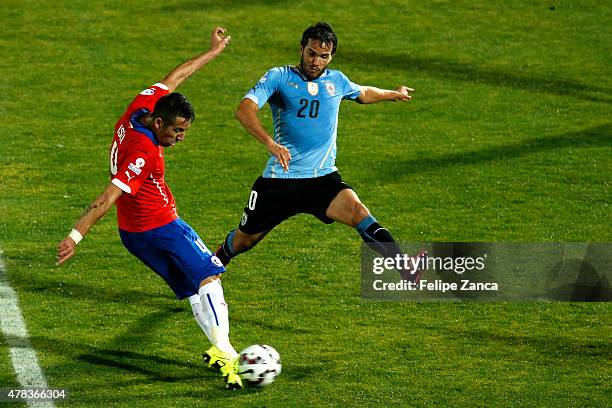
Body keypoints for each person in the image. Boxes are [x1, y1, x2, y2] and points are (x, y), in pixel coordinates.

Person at [57, 27, 244, 390]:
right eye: (176, 131)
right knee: (210, 276)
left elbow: (177, 75)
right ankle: (226, 352)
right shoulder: (143, 152)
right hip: (159, 226)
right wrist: (75, 235)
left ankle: (226, 356)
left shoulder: (142, 106)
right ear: (158, 123)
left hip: (132, 234)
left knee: (193, 290)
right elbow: (106, 198)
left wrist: (213, 52)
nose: (180, 138)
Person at [215, 22, 426, 279]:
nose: (316, 61)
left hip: (322, 179)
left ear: (331, 56)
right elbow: (244, 109)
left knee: (360, 213)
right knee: (243, 241)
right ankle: (209, 267)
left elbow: (363, 92)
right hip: (281, 180)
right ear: (301, 48)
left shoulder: (336, 81)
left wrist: (393, 93)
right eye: (312, 53)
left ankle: (405, 267)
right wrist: (270, 143)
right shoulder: (279, 77)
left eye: (323, 56)